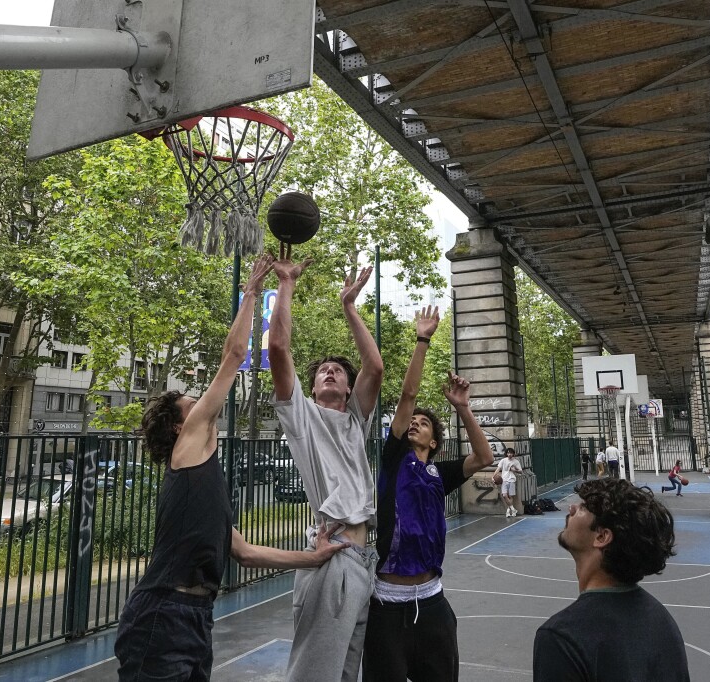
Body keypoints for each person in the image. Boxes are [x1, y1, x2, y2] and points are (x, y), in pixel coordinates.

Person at [114, 255, 349, 682]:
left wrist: (313, 559)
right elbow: (236, 353)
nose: (205, 405)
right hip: (162, 614)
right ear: (179, 425)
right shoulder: (186, 451)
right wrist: (255, 291)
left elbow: (243, 551)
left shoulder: (202, 482)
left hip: (194, 617)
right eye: (194, 404)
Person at [364, 306, 493, 682]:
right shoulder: (394, 460)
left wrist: (463, 408)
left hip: (432, 601)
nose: (415, 424)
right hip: (387, 603)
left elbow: (484, 457)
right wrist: (423, 339)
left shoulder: (440, 473)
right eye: (412, 422)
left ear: (434, 440)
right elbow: (407, 395)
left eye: (423, 423)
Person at [270, 257, 384, 682]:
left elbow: (375, 367)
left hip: (363, 560)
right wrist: (286, 284)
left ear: (349, 388)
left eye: (337, 370)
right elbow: (278, 349)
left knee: (345, 675)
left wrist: (349, 307)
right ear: (313, 386)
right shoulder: (301, 417)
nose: (330, 372)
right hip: (333, 557)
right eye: (322, 371)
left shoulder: (355, 419)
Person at [533, 478, 689, 681]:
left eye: (583, 507)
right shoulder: (661, 620)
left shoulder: (561, 637)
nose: (571, 508)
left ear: (601, 537)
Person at [495, 447, 522, 518]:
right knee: (504, 495)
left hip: (512, 480)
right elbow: (498, 469)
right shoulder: (503, 460)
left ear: (513, 454)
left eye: (511, 453)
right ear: (506, 454)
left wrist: (514, 470)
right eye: (508, 453)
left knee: (510, 496)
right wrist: (493, 476)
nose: (509, 454)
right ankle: (513, 509)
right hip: (504, 480)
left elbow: (521, 471)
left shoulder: (516, 461)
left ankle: (508, 511)